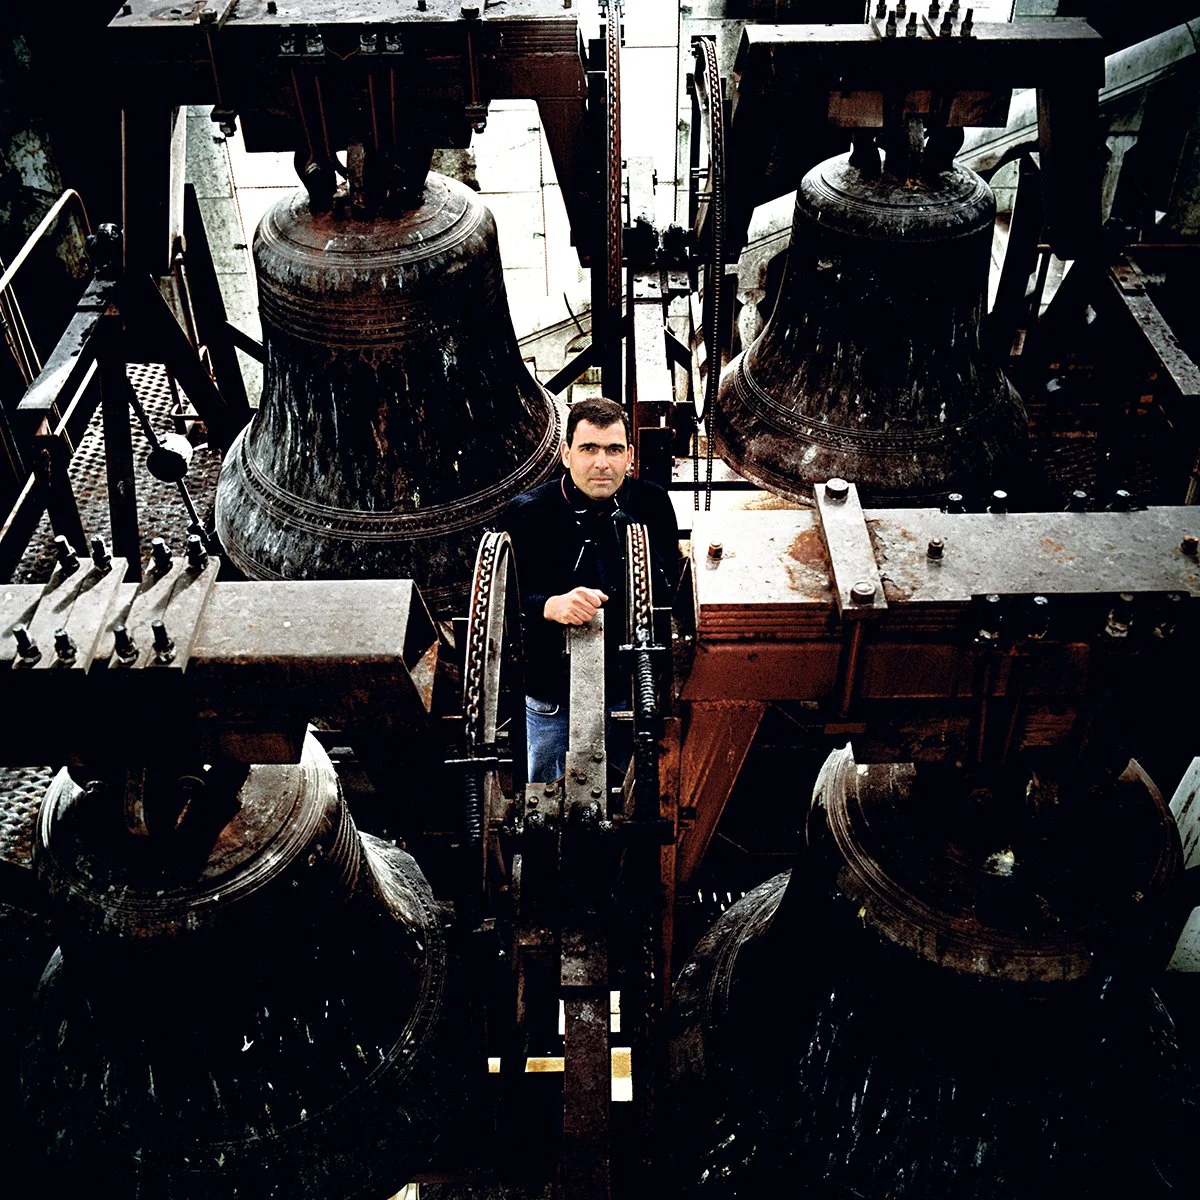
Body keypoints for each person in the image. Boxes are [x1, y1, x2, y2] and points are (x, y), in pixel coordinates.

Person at [500, 397, 681, 783]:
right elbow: (503, 603)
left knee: (642, 797)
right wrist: (549, 605)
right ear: (566, 454)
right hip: (553, 696)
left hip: (633, 692)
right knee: (546, 802)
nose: (602, 463)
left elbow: (673, 588)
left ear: (630, 455)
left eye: (614, 450)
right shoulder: (527, 512)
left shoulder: (653, 503)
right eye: (588, 449)